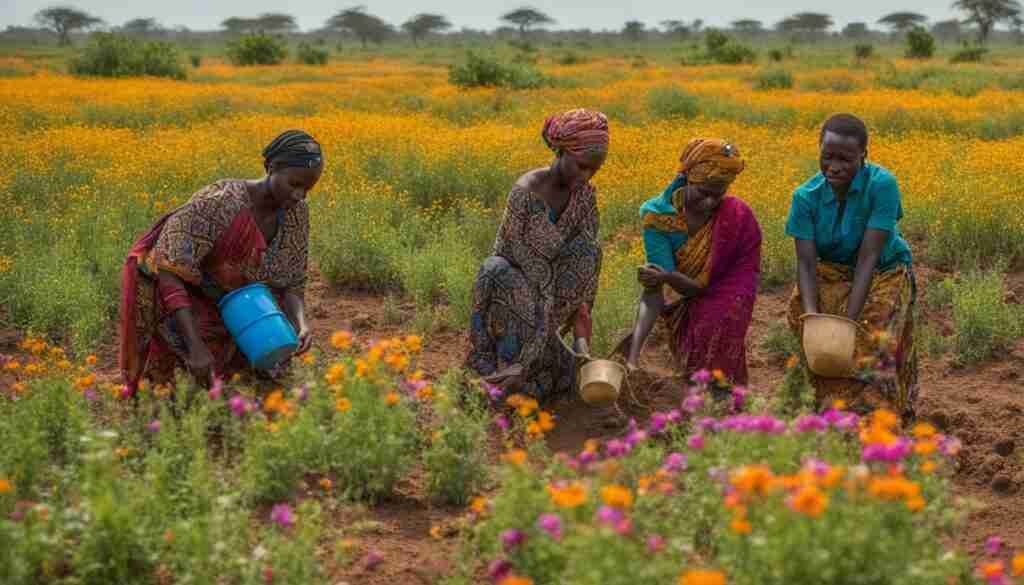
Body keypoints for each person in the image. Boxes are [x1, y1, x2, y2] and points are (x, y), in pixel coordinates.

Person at [119, 130, 322, 394]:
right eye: (294, 184)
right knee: (178, 396)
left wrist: (301, 325)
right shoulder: (218, 204)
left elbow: (293, 281)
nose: (299, 195)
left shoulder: (296, 213)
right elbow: (168, 269)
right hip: (190, 308)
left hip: (247, 310)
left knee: (267, 390)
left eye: (307, 189)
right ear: (272, 168)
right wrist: (195, 346)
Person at [467, 109, 609, 400]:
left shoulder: (585, 196)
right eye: (582, 166)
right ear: (561, 151)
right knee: (495, 268)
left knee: (590, 250)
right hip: (512, 290)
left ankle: (531, 367)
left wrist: (581, 337)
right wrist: (530, 351)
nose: (587, 176)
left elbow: (584, 267)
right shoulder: (527, 192)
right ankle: (498, 365)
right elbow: (532, 270)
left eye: (595, 169)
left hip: (551, 298)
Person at [785, 113, 916, 418]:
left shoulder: (882, 185)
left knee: (871, 332)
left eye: (845, 159)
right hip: (831, 268)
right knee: (801, 320)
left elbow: (869, 256)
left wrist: (848, 323)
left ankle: (872, 414)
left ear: (863, 156)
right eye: (827, 156)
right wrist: (814, 317)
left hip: (884, 268)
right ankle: (821, 406)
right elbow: (806, 263)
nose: (834, 166)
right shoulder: (804, 197)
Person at [620, 139, 762, 386]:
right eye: (703, 193)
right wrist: (633, 357)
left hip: (727, 286)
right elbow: (658, 287)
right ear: (687, 178)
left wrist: (667, 277)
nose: (709, 202)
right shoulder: (659, 216)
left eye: (718, 194)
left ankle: (722, 392)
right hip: (684, 291)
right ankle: (639, 360)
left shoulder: (735, 214)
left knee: (721, 320)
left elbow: (741, 270)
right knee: (694, 365)